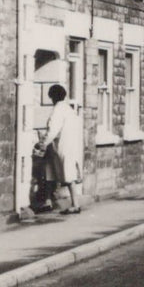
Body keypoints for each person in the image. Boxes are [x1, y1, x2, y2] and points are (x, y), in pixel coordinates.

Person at [35, 84, 83, 215]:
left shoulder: (58, 110)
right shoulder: (68, 109)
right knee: (50, 173)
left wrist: (42, 143)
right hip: (66, 146)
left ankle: (75, 204)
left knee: (68, 176)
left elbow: (53, 130)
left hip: (62, 146)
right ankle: (48, 201)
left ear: (53, 97)